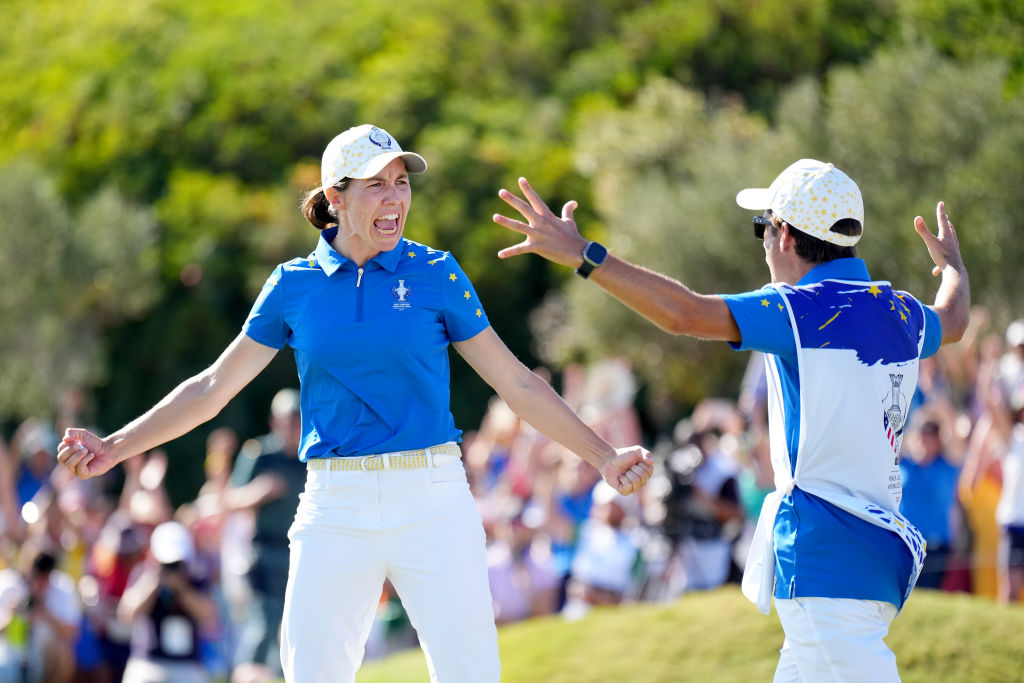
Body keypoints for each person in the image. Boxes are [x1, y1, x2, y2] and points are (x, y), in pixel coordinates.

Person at [57, 123, 653, 683]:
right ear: (334, 199)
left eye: (401, 182)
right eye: (376, 185)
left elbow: (516, 384)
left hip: (433, 498)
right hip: (334, 504)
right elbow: (212, 389)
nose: (395, 198)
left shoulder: (437, 273)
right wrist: (113, 447)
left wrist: (603, 456)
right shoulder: (292, 285)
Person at [493, 159, 969, 682]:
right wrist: (954, 269)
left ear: (785, 235)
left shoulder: (796, 310)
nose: (762, 243)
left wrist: (585, 255)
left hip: (825, 558)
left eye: (762, 227)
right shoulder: (901, 311)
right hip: (870, 558)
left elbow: (684, 314)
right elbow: (953, 320)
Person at [226, 388, 307, 681]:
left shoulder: (311, 454)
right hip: (266, 552)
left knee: (297, 629)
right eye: (288, 420)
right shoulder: (260, 453)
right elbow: (229, 499)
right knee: (263, 625)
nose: (293, 427)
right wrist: (259, 492)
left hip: (302, 553)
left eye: (298, 419)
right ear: (275, 422)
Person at [118, 520, 216, 683]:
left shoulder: (196, 576)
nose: (172, 566)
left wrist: (182, 589)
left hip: (187, 665)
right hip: (148, 661)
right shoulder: (143, 574)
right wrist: (153, 582)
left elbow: (209, 615)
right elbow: (127, 615)